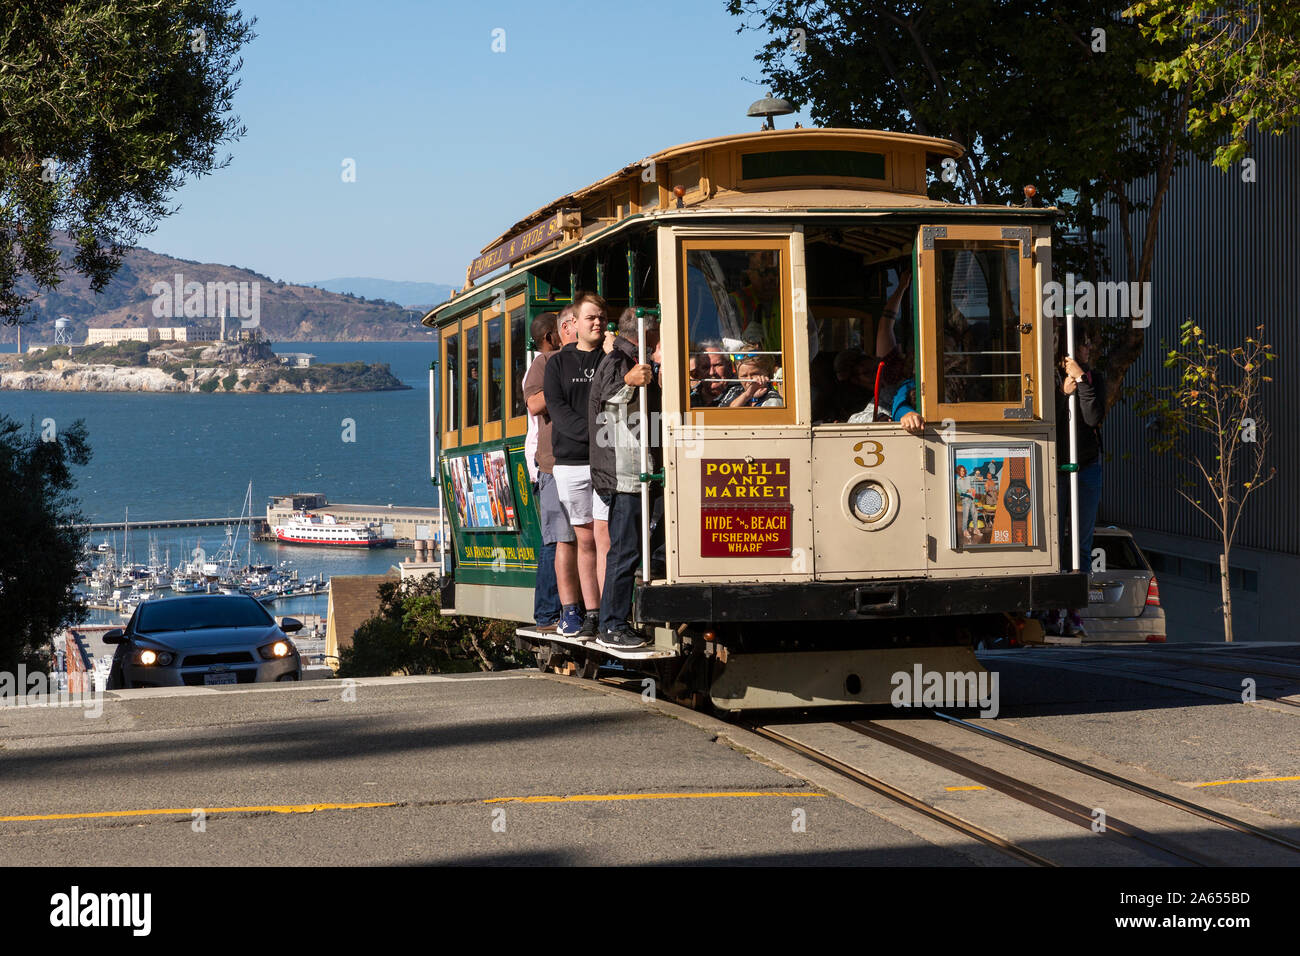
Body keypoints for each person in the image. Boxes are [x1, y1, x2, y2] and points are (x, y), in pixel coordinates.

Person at [588, 308, 661, 648]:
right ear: (647, 331)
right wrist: (630, 382)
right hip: (624, 471)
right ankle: (612, 625)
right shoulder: (618, 359)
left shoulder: (623, 356)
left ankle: (621, 620)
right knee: (624, 550)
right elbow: (605, 401)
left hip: (634, 468)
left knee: (632, 548)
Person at [542, 292, 608, 638]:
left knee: (606, 538)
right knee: (584, 541)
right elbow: (559, 411)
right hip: (572, 463)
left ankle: (610, 615)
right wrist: (596, 434)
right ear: (575, 324)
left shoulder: (612, 361)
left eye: (601, 317)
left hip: (607, 463)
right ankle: (589, 612)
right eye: (590, 318)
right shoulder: (557, 364)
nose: (597, 323)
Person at [1050, 333, 1106, 636]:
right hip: (1058, 466)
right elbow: (1050, 421)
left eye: (1088, 342)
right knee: (1056, 539)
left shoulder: (1094, 377)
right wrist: (1063, 391)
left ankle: (1074, 610)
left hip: (1087, 466)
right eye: (1083, 343)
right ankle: (1052, 607)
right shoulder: (1051, 375)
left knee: (1081, 543)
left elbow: (1093, 415)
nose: (1088, 347)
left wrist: (1082, 382)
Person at [521, 310, 565, 627]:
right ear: (551, 336)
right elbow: (535, 406)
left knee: (564, 538)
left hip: (551, 462)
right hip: (545, 463)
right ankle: (547, 612)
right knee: (553, 539)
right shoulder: (542, 366)